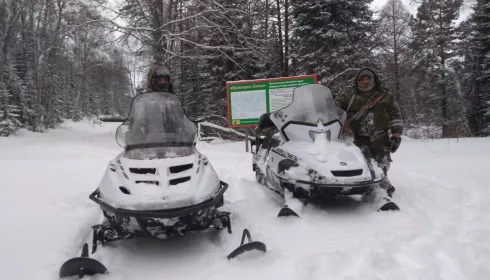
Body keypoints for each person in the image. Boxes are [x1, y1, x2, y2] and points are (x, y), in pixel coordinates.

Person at [334, 67, 403, 196]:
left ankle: (382, 190)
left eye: (368, 79)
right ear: (358, 81)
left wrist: (396, 134)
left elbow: (395, 115)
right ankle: (366, 190)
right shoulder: (349, 95)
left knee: (381, 164)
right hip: (358, 138)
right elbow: (335, 108)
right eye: (362, 79)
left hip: (380, 137)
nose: (365, 82)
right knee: (364, 164)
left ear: (373, 80)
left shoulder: (385, 96)